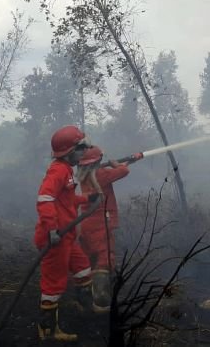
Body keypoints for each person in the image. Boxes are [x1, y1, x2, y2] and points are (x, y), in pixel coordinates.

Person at [34, 125, 98, 341]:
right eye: (81, 149)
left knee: (82, 268)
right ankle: (48, 331)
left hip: (66, 236)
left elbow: (67, 200)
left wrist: (87, 199)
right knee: (54, 284)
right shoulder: (58, 170)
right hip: (55, 238)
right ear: (69, 151)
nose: (84, 153)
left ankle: (85, 307)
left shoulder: (67, 171)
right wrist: (52, 229)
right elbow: (44, 198)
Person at [76, 145, 130, 313]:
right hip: (101, 224)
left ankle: (81, 300)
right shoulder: (101, 174)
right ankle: (101, 303)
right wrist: (117, 165)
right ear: (97, 162)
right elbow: (123, 172)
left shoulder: (83, 175)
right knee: (103, 261)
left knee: (86, 260)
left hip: (86, 224)